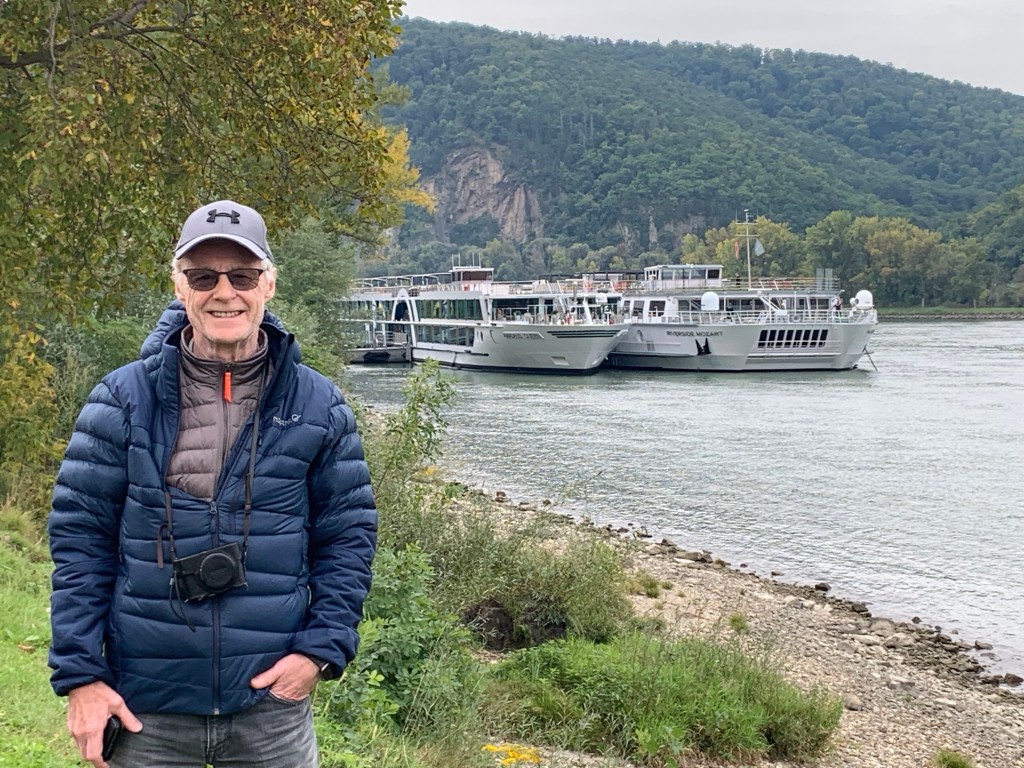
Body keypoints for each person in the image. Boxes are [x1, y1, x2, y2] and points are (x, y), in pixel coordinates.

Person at [48, 200, 377, 767]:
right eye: (203, 276)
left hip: (270, 709)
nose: (224, 292)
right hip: (145, 706)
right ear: (180, 287)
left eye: (242, 274)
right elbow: (80, 543)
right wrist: (81, 676)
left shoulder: (319, 405)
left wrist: (320, 651)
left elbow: (348, 537)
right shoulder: (122, 400)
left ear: (268, 284)